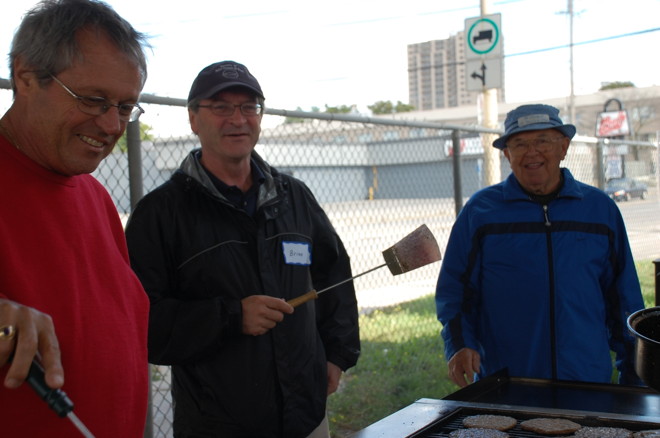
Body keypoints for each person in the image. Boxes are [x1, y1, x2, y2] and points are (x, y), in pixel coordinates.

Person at [125, 60, 361, 438]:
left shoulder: (294, 197)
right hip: (217, 425)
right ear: (193, 119)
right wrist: (231, 317)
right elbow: (141, 324)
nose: (238, 119)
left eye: (249, 107)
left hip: (306, 416)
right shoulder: (161, 214)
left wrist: (338, 353)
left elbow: (334, 273)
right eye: (221, 107)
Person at [0, 0, 151, 436]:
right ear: (26, 76)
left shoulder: (97, 199)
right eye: (94, 100)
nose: (112, 125)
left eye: (126, 107)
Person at [435, 103, 645, 388]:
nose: (532, 152)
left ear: (563, 147)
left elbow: (624, 298)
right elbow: (455, 290)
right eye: (520, 144)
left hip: (587, 380)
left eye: (543, 141)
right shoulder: (480, 212)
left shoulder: (600, 210)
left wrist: (634, 375)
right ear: (507, 154)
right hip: (507, 381)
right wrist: (460, 343)